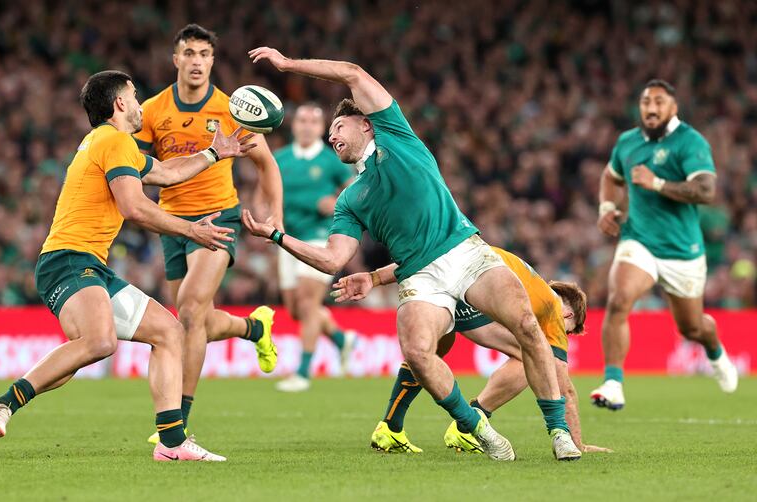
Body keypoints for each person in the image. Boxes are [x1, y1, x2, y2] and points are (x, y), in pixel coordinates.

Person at [243, 47, 582, 461]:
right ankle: (475, 426)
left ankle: (558, 431)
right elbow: (333, 260)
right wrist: (279, 236)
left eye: (338, 126)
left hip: (465, 251)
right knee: (419, 352)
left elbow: (352, 71)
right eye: (329, 133)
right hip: (419, 278)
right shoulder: (350, 200)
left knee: (527, 325)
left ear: (366, 124)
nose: (332, 137)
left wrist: (288, 65)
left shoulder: (396, 133)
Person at [0, 70, 256, 461]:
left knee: (168, 332)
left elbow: (169, 173)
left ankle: (172, 443)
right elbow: (134, 207)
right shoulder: (115, 140)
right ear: (120, 103)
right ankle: (2, 404)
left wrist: (213, 153)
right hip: (68, 259)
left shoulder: (111, 144)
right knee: (99, 341)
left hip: (89, 264)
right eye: (135, 96)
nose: (140, 105)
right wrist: (192, 230)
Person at [133, 25, 283, 443]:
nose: (197, 60)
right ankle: (254, 328)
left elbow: (267, 167)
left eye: (204, 54)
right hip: (173, 225)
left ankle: (177, 421)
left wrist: (276, 218)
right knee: (193, 320)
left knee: (190, 309)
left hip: (219, 219)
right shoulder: (153, 109)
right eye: (189, 53)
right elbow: (138, 164)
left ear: (213, 61)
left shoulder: (235, 110)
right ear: (175, 58)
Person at [331, 253, 610, 455]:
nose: (565, 334)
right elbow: (566, 390)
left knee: (430, 350)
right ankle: (471, 424)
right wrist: (579, 443)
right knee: (536, 355)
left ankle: (390, 427)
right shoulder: (552, 310)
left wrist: (376, 278)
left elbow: (433, 255)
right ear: (570, 314)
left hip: (444, 279)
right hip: (470, 290)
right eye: (571, 330)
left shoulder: (527, 279)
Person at [593, 79, 739, 410]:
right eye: (646, 101)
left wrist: (657, 183)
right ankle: (613, 382)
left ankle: (715, 349)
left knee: (691, 327)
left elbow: (705, 191)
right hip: (639, 240)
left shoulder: (690, 142)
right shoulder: (627, 142)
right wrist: (606, 208)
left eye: (659, 101)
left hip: (682, 250)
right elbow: (610, 177)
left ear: (673, 108)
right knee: (618, 300)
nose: (651, 107)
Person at [273, 103, 356, 392]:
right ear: (294, 125)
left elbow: (357, 189)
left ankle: (303, 372)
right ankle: (342, 340)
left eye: (314, 121)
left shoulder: (331, 160)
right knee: (297, 310)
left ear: (322, 129)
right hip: (286, 238)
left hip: (320, 236)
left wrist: (338, 205)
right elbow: (264, 192)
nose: (307, 125)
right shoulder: (279, 159)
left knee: (308, 303)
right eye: (302, 120)